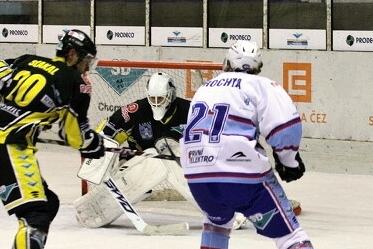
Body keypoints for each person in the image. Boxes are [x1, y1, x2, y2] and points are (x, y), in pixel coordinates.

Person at [180, 41, 350, 249]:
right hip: (242, 175)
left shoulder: (204, 88)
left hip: (198, 176)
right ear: (257, 66)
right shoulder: (260, 85)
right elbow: (285, 126)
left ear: (226, 63)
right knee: (289, 234)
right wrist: (289, 161)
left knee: (216, 222)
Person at [0, 29, 104, 249]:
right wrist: (94, 145)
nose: (86, 69)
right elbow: (73, 135)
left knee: (48, 202)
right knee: (37, 211)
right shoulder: (74, 81)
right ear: (72, 54)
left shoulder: (25, 60)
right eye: (85, 61)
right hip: (8, 148)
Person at [74, 72, 302, 231]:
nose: (156, 102)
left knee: (175, 154)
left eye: (161, 98)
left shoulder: (191, 110)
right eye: (152, 98)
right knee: (157, 156)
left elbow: (218, 139)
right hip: (143, 164)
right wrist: (105, 155)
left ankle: (236, 205)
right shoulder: (135, 110)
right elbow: (105, 132)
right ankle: (93, 209)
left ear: (171, 95)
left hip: (188, 164)